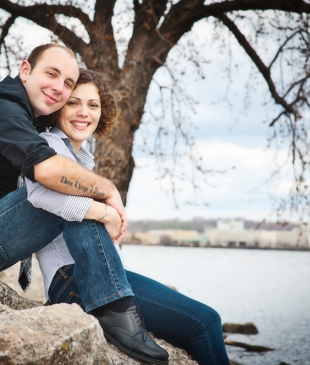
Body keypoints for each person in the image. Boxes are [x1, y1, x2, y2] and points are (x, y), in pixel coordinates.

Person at [0, 44, 168, 364]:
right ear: (25, 71)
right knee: (70, 185)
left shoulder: (27, 116)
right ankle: (113, 309)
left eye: (67, 83)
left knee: (73, 183)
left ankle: (108, 303)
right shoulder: (3, 105)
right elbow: (47, 172)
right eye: (52, 74)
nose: (59, 88)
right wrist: (107, 195)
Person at [25, 69, 231, 365]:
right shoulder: (52, 148)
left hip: (88, 277)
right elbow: (40, 196)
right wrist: (107, 212)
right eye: (73, 103)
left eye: (93, 105)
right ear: (57, 108)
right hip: (76, 279)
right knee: (206, 322)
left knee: (190, 331)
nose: (84, 113)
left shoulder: (79, 159)